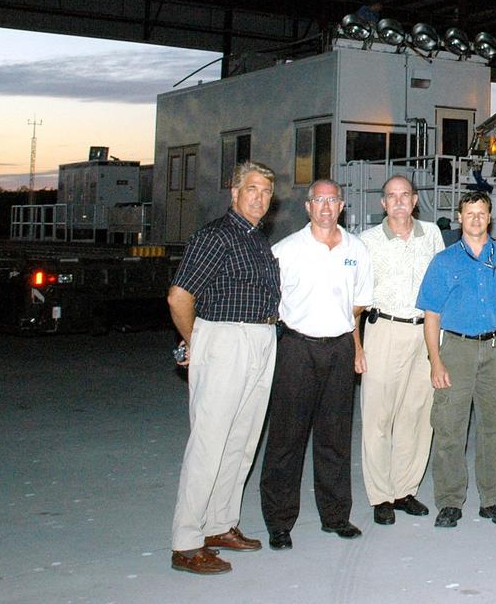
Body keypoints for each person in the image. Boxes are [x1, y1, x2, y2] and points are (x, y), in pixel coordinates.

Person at [168, 161, 281, 576]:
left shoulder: (257, 240)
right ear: (234, 193)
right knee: (209, 443)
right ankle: (186, 541)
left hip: (260, 339)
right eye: (252, 189)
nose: (259, 198)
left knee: (242, 440)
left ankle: (218, 525)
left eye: (266, 192)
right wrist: (198, 343)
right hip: (224, 339)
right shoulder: (216, 236)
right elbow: (179, 297)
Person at [259, 180, 373, 549]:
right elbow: (268, 303)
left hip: (339, 347)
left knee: (336, 437)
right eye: (318, 201)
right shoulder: (286, 250)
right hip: (297, 348)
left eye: (332, 200)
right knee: (286, 439)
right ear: (308, 207)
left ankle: (336, 515)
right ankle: (279, 523)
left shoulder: (357, 249)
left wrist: (355, 347)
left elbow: (359, 305)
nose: (326, 207)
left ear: (342, 206)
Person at [418, 191, 496, 528]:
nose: (476, 219)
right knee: (449, 427)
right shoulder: (444, 261)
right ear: (460, 218)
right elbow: (431, 315)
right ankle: (450, 502)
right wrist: (436, 361)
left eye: (482, 213)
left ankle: (494, 499)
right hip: (456, 349)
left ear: (490, 217)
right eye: (470, 213)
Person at [358, 175, 445, 526]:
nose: (397, 202)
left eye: (404, 195)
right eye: (391, 196)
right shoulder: (367, 241)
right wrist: (356, 346)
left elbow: (442, 286)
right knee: (378, 417)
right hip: (384, 330)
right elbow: (355, 300)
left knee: (418, 416)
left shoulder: (432, 236)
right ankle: (380, 496)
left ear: (414, 200)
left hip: (424, 333)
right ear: (383, 204)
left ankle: (405, 489)